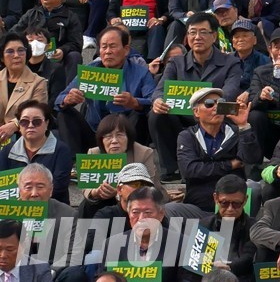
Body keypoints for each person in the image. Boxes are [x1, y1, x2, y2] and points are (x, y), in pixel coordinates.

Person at [150, 12, 240, 178]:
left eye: (203, 32)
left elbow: (230, 91)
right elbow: (159, 89)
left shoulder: (230, 62)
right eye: (192, 32)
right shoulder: (176, 63)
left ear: (214, 36)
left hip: (216, 117)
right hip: (184, 119)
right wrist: (158, 100)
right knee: (156, 115)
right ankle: (171, 169)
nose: (197, 37)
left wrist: (208, 105)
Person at [54, 26, 153, 154]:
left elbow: (153, 100)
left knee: (140, 114)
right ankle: (74, 164)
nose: (108, 51)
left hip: (127, 134)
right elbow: (58, 100)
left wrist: (134, 103)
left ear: (126, 49)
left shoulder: (141, 72)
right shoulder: (90, 71)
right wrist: (67, 99)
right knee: (64, 112)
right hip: (95, 133)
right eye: (104, 47)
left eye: (112, 46)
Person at [175, 86, 257, 211]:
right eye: (209, 104)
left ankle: (240, 229)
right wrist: (229, 165)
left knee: (254, 188)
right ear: (196, 112)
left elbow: (251, 159)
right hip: (199, 202)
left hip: (233, 200)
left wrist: (243, 126)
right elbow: (190, 170)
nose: (216, 108)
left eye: (220, 103)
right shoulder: (187, 136)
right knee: (172, 209)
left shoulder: (236, 131)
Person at [80, 112, 163, 208]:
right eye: (108, 136)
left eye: (119, 135)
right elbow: (86, 187)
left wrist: (120, 192)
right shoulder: (93, 153)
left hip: (136, 200)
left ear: (129, 137)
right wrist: (95, 192)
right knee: (86, 205)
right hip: (102, 200)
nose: (114, 141)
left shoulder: (143, 153)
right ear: (101, 139)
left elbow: (149, 187)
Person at [0, 101, 71, 203]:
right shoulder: (7, 150)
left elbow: (59, 186)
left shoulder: (61, 150)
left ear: (46, 123)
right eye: (24, 121)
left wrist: (29, 197)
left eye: (37, 121)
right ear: (19, 126)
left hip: (51, 209)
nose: (30, 125)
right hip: (15, 208)